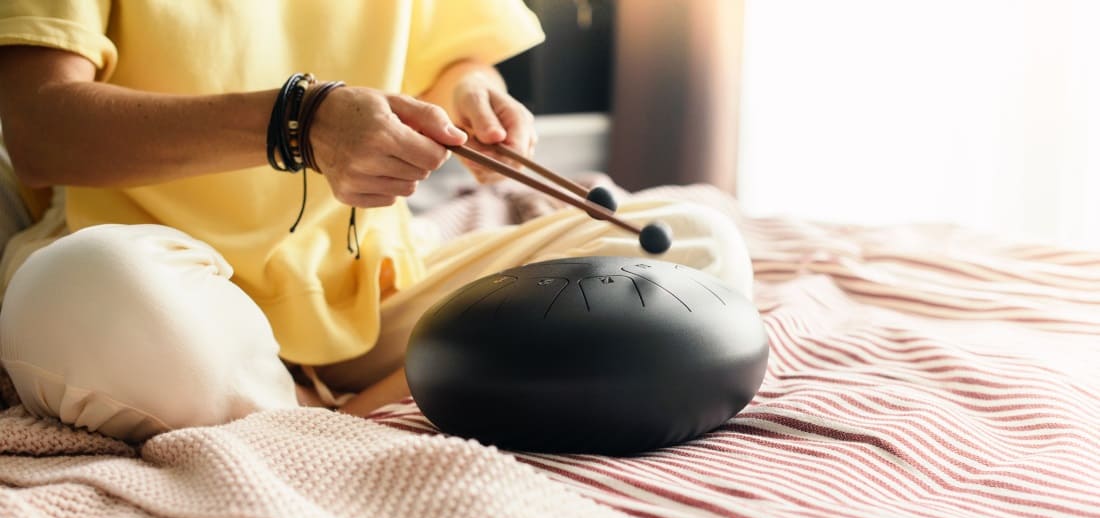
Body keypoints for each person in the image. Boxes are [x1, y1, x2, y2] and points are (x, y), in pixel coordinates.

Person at [0, 1, 755, 442]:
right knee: (85, 287)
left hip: (375, 292)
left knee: (696, 246)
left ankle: (341, 410)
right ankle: (348, 412)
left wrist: (471, 96)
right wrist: (300, 120)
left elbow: (451, 57)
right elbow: (38, 129)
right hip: (170, 291)